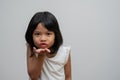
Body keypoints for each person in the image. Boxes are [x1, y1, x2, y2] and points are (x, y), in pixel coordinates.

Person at [25, 11, 72, 80]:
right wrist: (41, 55)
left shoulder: (64, 52)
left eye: (48, 34)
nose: (43, 39)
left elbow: (68, 77)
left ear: (55, 35)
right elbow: (33, 76)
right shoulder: (31, 48)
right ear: (31, 35)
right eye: (37, 34)